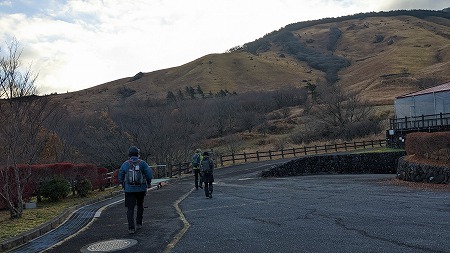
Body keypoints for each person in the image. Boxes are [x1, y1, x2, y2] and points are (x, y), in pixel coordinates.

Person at [118, 146, 153, 234]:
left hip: (129, 190)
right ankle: (139, 223)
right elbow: (148, 174)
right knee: (140, 205)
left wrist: (123, 184)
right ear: (138, 154)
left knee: (130, 208)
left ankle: (131, 228)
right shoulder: (142, 163)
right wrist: (148, 183)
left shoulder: (125, 164)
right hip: (140, 188)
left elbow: (120, 174)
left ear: (129, 154)